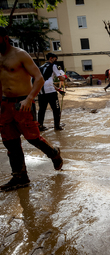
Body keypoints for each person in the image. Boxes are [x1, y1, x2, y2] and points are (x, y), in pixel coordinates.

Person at [0, 26, 63, 191]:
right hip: (5, 104)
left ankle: (54, 153)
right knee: (10, 143)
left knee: (32, 138)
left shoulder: (20, 55)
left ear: (5, 37)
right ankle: (19, 177)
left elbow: (39, 78)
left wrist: (29, 99)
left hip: (23, 102)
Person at [37, 53, 65, 131]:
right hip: (51, 93)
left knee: (41, 110)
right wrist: (65, 77)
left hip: (41, 92)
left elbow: (47, 82)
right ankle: (57, 126)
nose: (56, 61)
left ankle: (40, 126)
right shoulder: (53, 66)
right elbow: (61, 78)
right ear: (51, 58)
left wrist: (58, 89)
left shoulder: (40, 67)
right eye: (55, 59)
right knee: (56, 109)